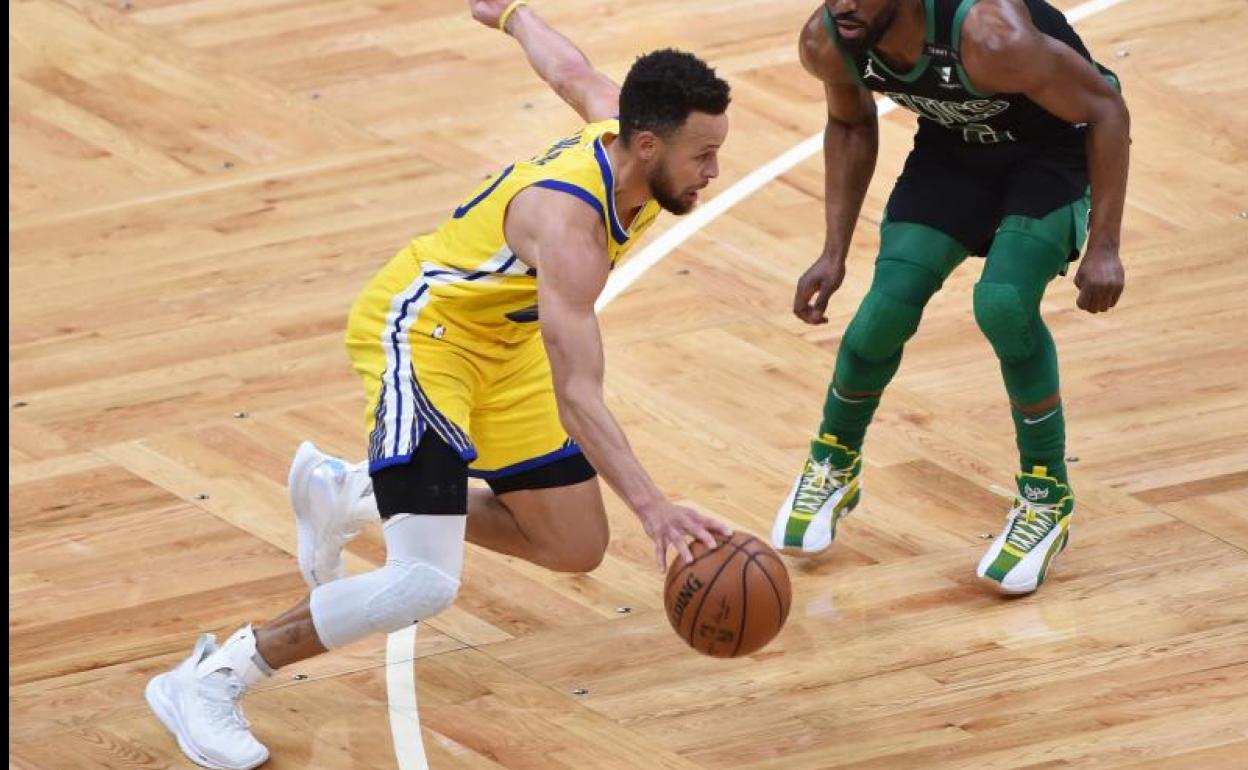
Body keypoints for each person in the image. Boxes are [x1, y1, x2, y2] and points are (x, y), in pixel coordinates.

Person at [145, 2, 732, 767]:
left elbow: (573, 72)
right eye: (703, 156)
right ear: (648, 144)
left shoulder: (622, 132)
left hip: (503, 346)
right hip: (423, 337)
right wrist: (654, 508)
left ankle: (354, 492)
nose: (713, 172)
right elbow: (578, 397)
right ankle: (213, 677)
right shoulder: (571, 229)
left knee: (574, 543)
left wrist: (513, 14)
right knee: (421, 583)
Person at [770, 0, 1129, 595]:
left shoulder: (992, 36)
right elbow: (851, 123)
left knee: (1003, 304)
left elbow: (1105, 108)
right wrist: (833, 250)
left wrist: (1105, 246)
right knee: (883, 310)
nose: (843, 4)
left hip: (1051, 156)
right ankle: (833, 460)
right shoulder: (829, 39)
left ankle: (1046, 496)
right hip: (954, 154)